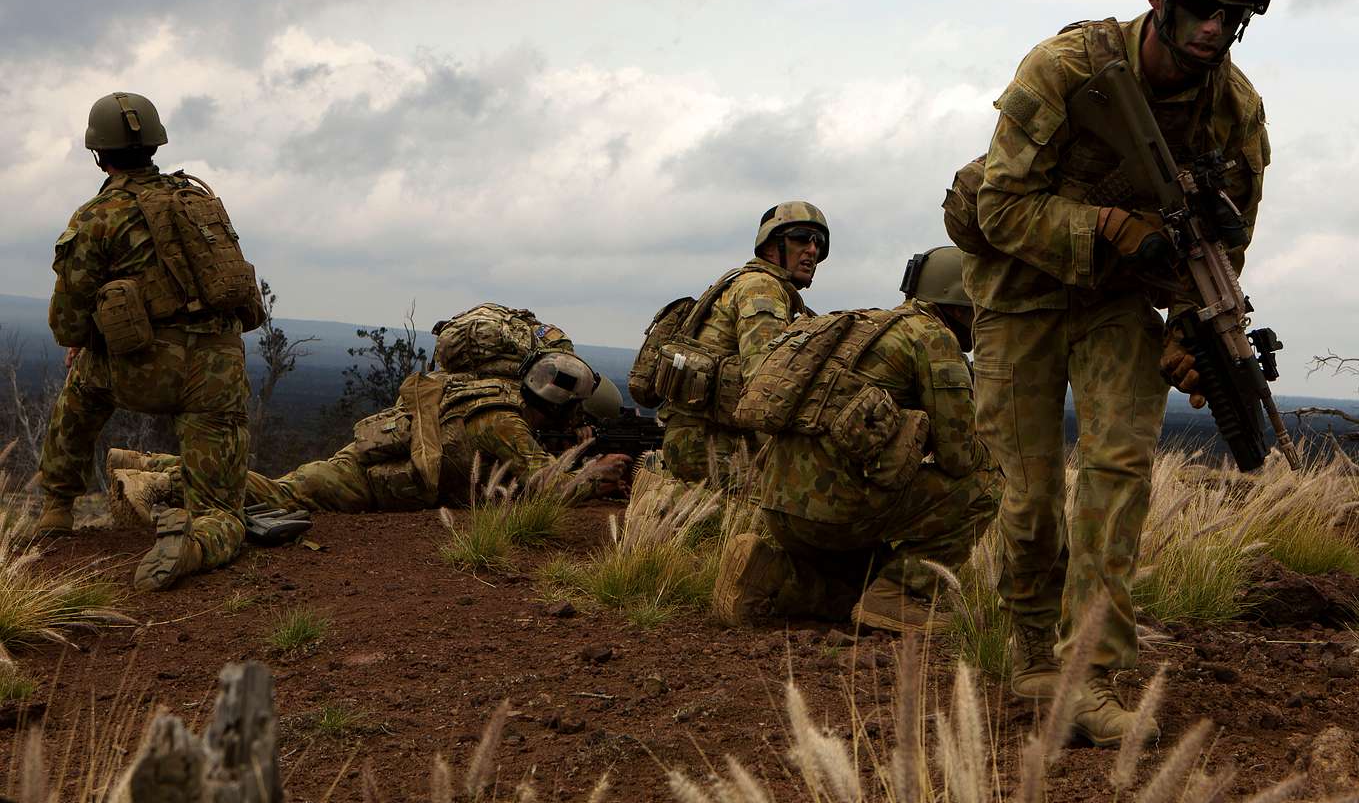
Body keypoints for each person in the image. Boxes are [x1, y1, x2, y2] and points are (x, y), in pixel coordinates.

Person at [962, 0, 1274, 742]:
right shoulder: (1065, 68)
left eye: (1231, 17)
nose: (1214, 30)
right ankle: (1032, 655)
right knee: (1024, 500)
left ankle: (1088, 675)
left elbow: (1220, 244)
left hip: (1119, 306)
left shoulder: (1233, 116)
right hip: (1022, 291)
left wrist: (1192, 337)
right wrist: (1103, 227)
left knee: (1117, 472)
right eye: (1201, 9)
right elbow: (998, 205)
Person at [33, 91, 263, 590]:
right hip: (218, 371)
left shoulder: (97, 216)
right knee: (222, 510)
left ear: (98, 153)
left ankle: (56, 508)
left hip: (142, 369)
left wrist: (89, 341)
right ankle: (197, 543)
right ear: (155, 143)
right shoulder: (198, 200)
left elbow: (66, 326)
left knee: (81, 390)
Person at [715, 246, 999, 633]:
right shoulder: (935, 338)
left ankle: (773, 575)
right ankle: (900, 595)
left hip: (778, 507)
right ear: (961, 302)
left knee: (861, 586)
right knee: (988, 483)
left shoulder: (870, 325)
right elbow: (960, 457)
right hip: (840, 514)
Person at [110, 352, 631, 517]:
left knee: (280, 484)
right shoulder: (506, 423)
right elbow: (547, 488)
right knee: (280, 493)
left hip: (375, 458)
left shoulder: (495, 397)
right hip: (369, 478)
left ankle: (144, 461)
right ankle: (154, 483)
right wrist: (595, 474)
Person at [657, 202, 825, 483]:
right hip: (718, 450)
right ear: (771, 246)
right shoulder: (763, 288)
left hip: (698, 443)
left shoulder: (740, 281)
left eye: (818, 243)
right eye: (800, 238)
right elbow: (766, 386)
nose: (812, 250)